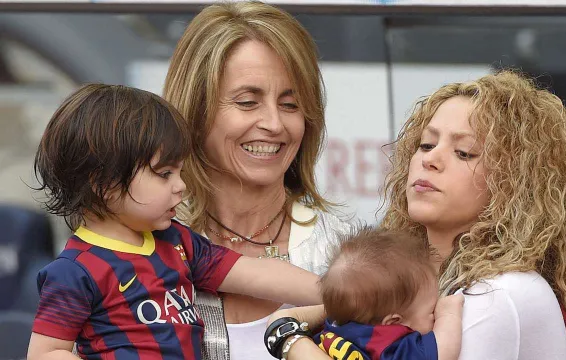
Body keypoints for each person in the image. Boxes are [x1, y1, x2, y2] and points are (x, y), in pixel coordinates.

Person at [267, 70, 566, 360]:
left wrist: (290, 339)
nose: (430, 159)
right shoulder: (422, 278)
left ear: (517, 182)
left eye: (464, 152)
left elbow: (292, 326)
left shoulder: (500, 292)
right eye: (426, 144)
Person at [26, 84, 321, 360]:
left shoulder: (177, 240)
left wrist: (338, 293)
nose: (181, 185)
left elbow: (255, 273)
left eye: (180, 172)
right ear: (103, 183)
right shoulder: (74, 272)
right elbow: (46, 353)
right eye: (165, 173)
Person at [163, 2, 354, 359]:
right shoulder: (142, 248)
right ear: (196, 109)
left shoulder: (345, 253)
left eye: (290, 105)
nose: (274, 124)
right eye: (248, 102)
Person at [270, 227, 463, 360]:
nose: (435, 314)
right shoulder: (389, 345)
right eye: (431, 311)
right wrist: (449, 312)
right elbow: (442, 352)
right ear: (393, 322)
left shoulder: (332, 327)